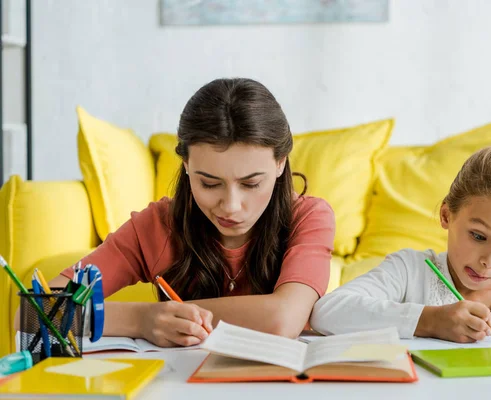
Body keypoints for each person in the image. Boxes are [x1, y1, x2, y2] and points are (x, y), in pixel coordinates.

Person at [44, 78, 335, 347]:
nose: (231, 206)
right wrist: (141, 320)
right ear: (185, 164)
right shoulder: (157, 226)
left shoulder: (309, 217)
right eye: (209, 183)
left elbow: (282, 318)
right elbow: (37, 308)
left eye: (251, 183)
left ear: (280, 163)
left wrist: (161, 315)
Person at [310, 146, 491, 343]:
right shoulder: (410, 270)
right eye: (478, 236)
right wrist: (428, 320)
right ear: (446, 215)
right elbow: (327, 311)